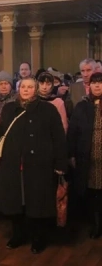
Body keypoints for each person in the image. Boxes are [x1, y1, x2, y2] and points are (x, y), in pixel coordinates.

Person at [0, 78, 67, 254]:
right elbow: (0, 135)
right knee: (15, 201)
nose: (26, 89)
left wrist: (61, 163)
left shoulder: (48, 109)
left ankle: (38, 237)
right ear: (18, 89)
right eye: (23, 86)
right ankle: (18, 234)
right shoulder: (9, 109)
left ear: (36, 90)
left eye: (30, 87)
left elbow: (59, 138)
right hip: (13, 164)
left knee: (36, 203)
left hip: (40, 165)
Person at [68, 72, 102, 238]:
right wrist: (71, 154)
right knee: (92, 192)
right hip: (86, 157)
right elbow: (73, 132)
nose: (97, 86)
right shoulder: (82, 106)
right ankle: (95, 225)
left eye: (100, 83)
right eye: (94, 83)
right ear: (89, 86)